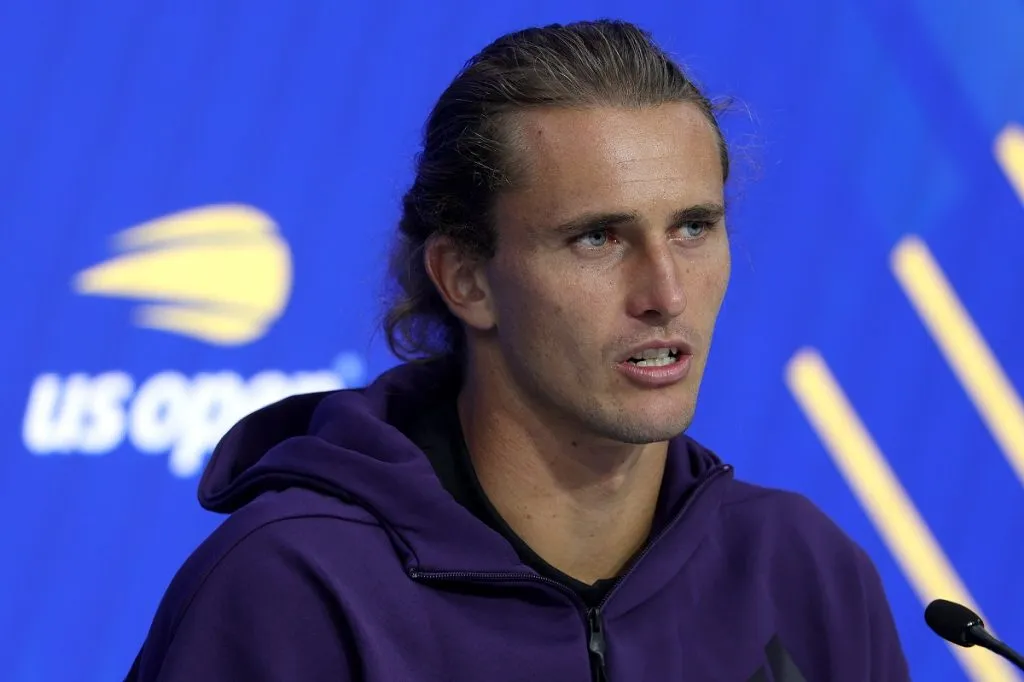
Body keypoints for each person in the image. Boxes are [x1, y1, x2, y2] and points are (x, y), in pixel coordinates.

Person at [126, 19, 910, 682]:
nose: (666, 293)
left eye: (694, 228)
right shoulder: (296, 587)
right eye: (598, 237)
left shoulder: (805, 573)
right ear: (467, 279)